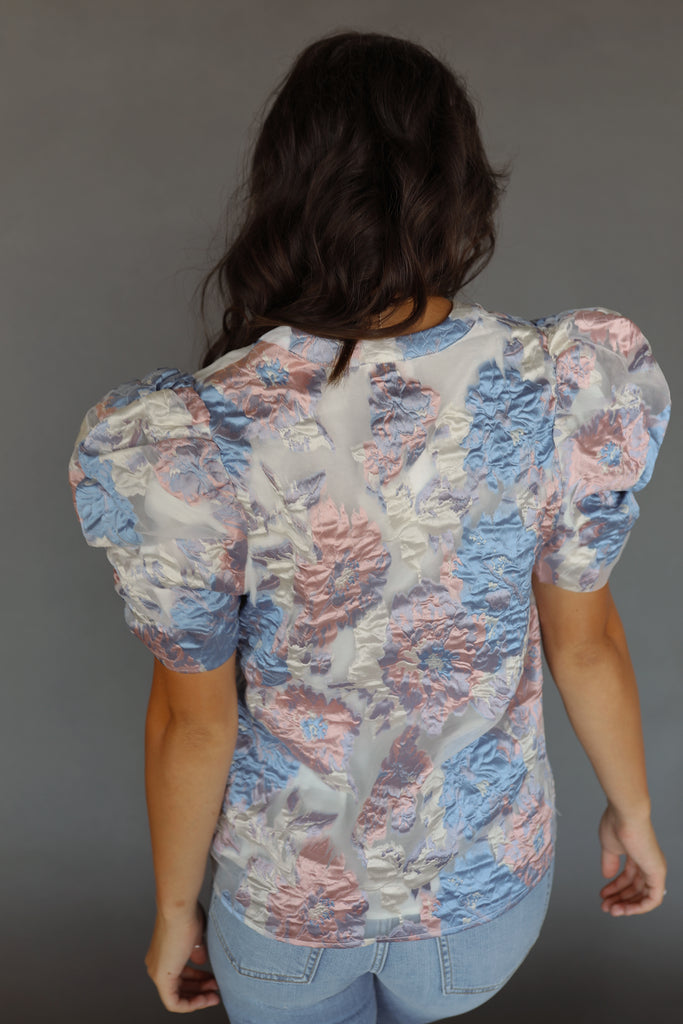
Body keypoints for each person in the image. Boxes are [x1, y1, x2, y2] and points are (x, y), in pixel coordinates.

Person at [67, 30, 670, 1024]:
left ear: (284, 195)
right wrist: (633, 813)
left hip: (286, 916)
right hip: (479, 900)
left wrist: (175, 912)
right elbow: (586, 643)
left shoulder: (193, 434)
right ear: (459, 191)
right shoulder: (555, 383)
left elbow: (193, 721)